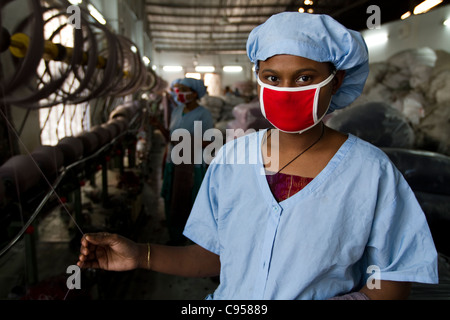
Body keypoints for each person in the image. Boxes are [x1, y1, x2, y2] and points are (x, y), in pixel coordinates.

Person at [78, 12, 438, 300]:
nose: (285, 91)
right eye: (272, 77)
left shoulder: (370, 172)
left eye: (303, 78)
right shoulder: (231, 160)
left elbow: (393, 276)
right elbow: (216, 257)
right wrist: (141, 255)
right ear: (259, 81)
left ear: (337, 80)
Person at [150, 77, 214, 245]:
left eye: (183, 90)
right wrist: (159, 126)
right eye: (177, 90)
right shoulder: (177, 111)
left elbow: (209, 141)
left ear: (194, 93)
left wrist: (187, 140)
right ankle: (176, 237)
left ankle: (194, 242)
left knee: (191, 201)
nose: (179, 94)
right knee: (171, 198)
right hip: (174, 162)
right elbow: (171, 138)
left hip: (192, 165)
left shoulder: (203, 114)